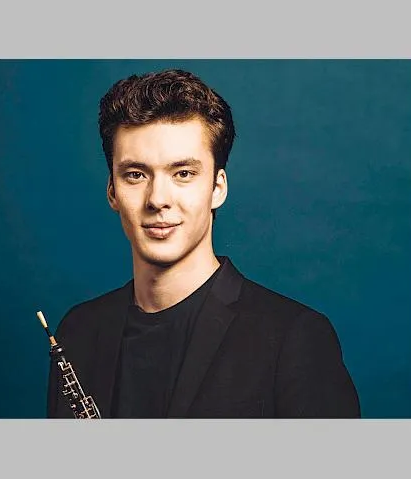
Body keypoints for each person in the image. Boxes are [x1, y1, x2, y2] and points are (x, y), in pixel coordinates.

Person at [46, 68, 360, 418]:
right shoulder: (78, 332)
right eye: (136, 175)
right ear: (112, 191)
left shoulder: (295, 339)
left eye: (183, 174)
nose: (158, 199)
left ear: (217, 188)